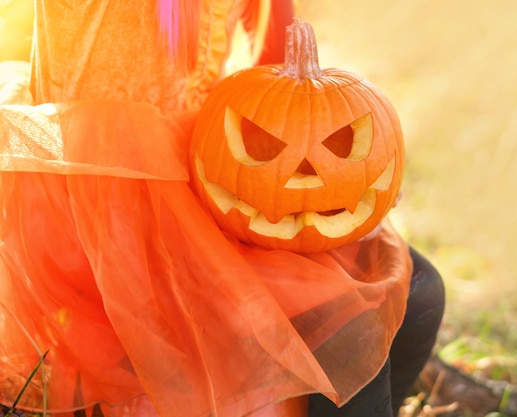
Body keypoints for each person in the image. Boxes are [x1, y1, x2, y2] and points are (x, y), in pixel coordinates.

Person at [0, 1, 445, 416]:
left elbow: (277, 69)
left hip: (213, 160)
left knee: (421, 290)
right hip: (99, 193)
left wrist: (353, 181)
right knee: (341, 323)